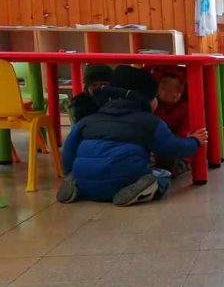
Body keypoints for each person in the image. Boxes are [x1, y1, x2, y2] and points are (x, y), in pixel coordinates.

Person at [57, 65, 207, 206]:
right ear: (147, 100)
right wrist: (194, 141)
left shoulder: (88, 120)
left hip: (86, 183)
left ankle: (74, 182)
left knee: (88, 173)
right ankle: (144, 188)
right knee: (163, 176)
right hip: (125, 181)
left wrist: (69, 172)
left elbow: (68, 151)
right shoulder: (150, 122)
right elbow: (173, 148)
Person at [153, 70, 191, 177]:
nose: (160, 92)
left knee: (171, 165)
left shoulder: (185, 109)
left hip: (177, 151)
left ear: (178, 94)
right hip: (158, 147)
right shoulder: (156, 106)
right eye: (161, 88)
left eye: (165, 89)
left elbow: (183, 136)